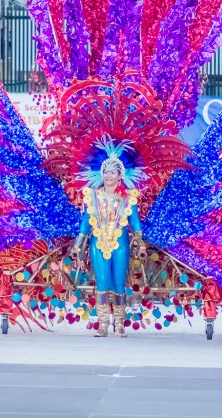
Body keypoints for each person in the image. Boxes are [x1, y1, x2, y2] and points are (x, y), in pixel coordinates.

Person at [72, 140, 147, 337]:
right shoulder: (93, 196)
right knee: (102, 283)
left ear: (121, 175)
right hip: (97, 244)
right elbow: (85, 223)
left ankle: (120, 324)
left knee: (119, 283)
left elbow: (135, 223)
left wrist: (140, 243)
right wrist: (78, 245)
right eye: (105, 171)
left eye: (113, 172)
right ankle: (103, 324)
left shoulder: (128, 198)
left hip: (120, 244)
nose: (108, 175)